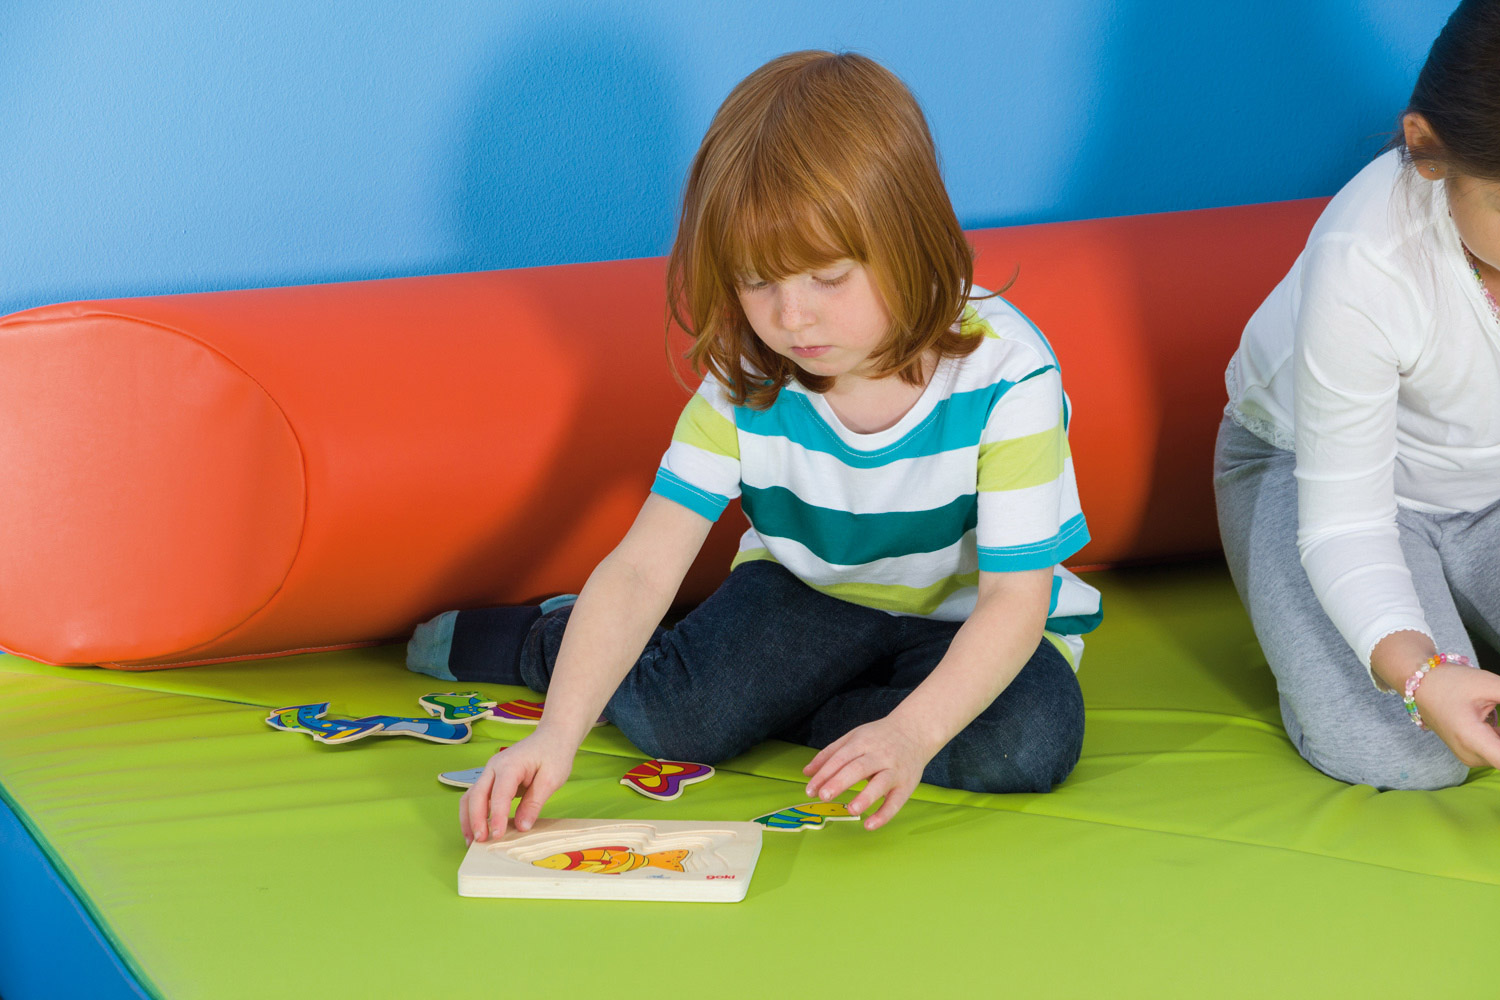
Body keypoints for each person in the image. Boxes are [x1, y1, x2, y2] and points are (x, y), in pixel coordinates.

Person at [409, 50, 1099, 841]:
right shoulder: (749, 377)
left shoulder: (1008, 373)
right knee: (680, 720)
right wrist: (555, 734)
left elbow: (1015, 600)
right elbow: (642, 569)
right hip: (804, 598)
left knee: (1032, 740)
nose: (791, 318)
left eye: (827, 279)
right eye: (757, 281)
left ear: (911, 240)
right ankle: (546, 639)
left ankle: (839, 717)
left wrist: (909, 734)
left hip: (972, 620)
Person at [1215, 0, 1500, 790]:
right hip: (1310, 473)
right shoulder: (1369, 254)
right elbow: (1346, 523)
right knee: (1411, 749)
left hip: (1487, 490)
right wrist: (1418, 675)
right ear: (1428, 149)